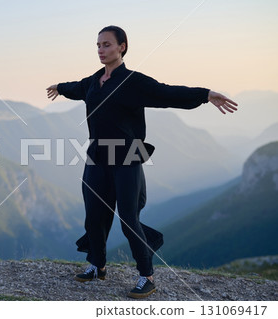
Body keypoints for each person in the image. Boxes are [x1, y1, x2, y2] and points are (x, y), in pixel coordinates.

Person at [46, 25, 238, 299]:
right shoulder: (94, 80)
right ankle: (96, 264)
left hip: (127, 157)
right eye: (98, 45)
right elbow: (76, 88)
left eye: (107, 45)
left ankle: (146, 276)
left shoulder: (133, 82)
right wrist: (59, 88)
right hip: (98, 156)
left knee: (128, 217)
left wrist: (205, 95)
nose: (101, 50)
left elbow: (167, 93)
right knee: (94, 214)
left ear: (122, 46)